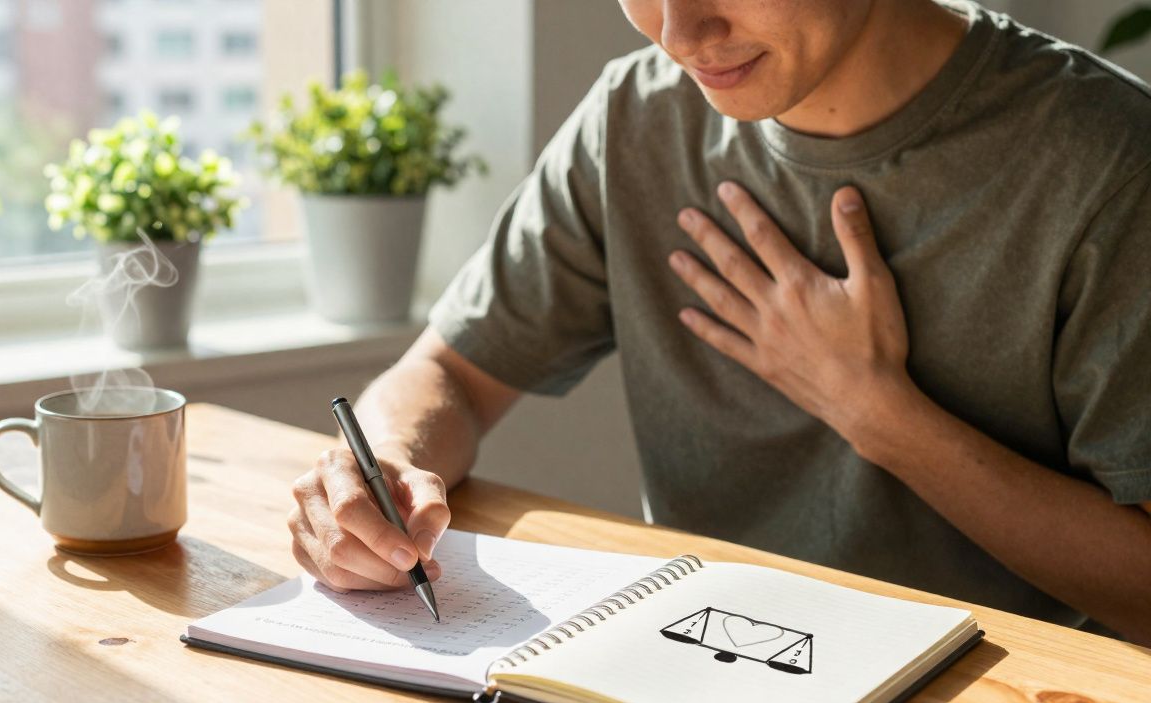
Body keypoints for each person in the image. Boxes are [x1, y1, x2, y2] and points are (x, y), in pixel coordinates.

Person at [286, 0, 1151, 645]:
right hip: (696, 667)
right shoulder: (636, 117)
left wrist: (881, 416)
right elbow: (453, 376)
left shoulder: (1108, 162)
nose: (678, 32)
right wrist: (384, 466)